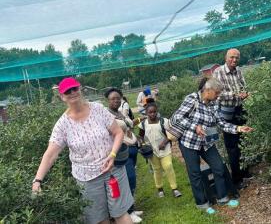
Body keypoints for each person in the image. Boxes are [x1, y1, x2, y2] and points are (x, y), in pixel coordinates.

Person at [32, 77, 133, 224]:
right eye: (67, 91)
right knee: (100, 220)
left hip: (113, 171)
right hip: (87, 179)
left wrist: (112, 154)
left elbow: (118, 133)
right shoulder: (62, 125)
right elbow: (51, 154)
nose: (72, 92)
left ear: (80, 89)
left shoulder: (98, 109)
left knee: (121, 214)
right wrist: (37, 180)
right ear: (62, 96)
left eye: (75, 88)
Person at [171, 77, 253, 214]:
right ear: (208, 90)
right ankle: (202, 203)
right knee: (195, 173)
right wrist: (194, 127)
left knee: (219, 166)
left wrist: (239, 128)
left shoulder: (214, 104)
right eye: (217, 93)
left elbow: (222, 123)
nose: (218, 95)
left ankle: (222, 197)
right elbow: (176, 118)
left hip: (207, 142)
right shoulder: (192, 99)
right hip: (189, 143)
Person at [213, 48, 251, 190]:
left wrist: (245, 93)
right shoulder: (218, 72)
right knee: (232, 146)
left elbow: (244, 86)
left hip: (240, 109)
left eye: (236, 58)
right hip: (227, 112)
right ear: (226, 57)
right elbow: (217, 93)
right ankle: (237, 178)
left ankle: (245, 170)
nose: (234, 60)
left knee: (244, 140)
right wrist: (235, 94)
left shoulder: (239, 71)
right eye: (231, 57)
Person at [105, 88, 144, 223]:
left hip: (132, 149)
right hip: (121, 153)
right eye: (113, 98)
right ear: (108, 100)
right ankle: (127, 211)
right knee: (128, 179)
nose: (116, 100)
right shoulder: (106, 115)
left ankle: (131, 208)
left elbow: (130, 125)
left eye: (118, 98)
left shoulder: (121, 113)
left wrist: (138, 123)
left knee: (131, 180)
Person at [138, 101, 182, 198]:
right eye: (150, 112)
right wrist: (142, 143)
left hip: (164, 149)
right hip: (152, 151)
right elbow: (140, 136)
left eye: (154, 112)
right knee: (156, 169)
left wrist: (164, 142)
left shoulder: (164, 121)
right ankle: (160, 189)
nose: (152, 114)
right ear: (146, 113)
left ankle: (174, 188)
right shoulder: (143, 124)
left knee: (168, 166)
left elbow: (170, 134)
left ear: (157, 111)